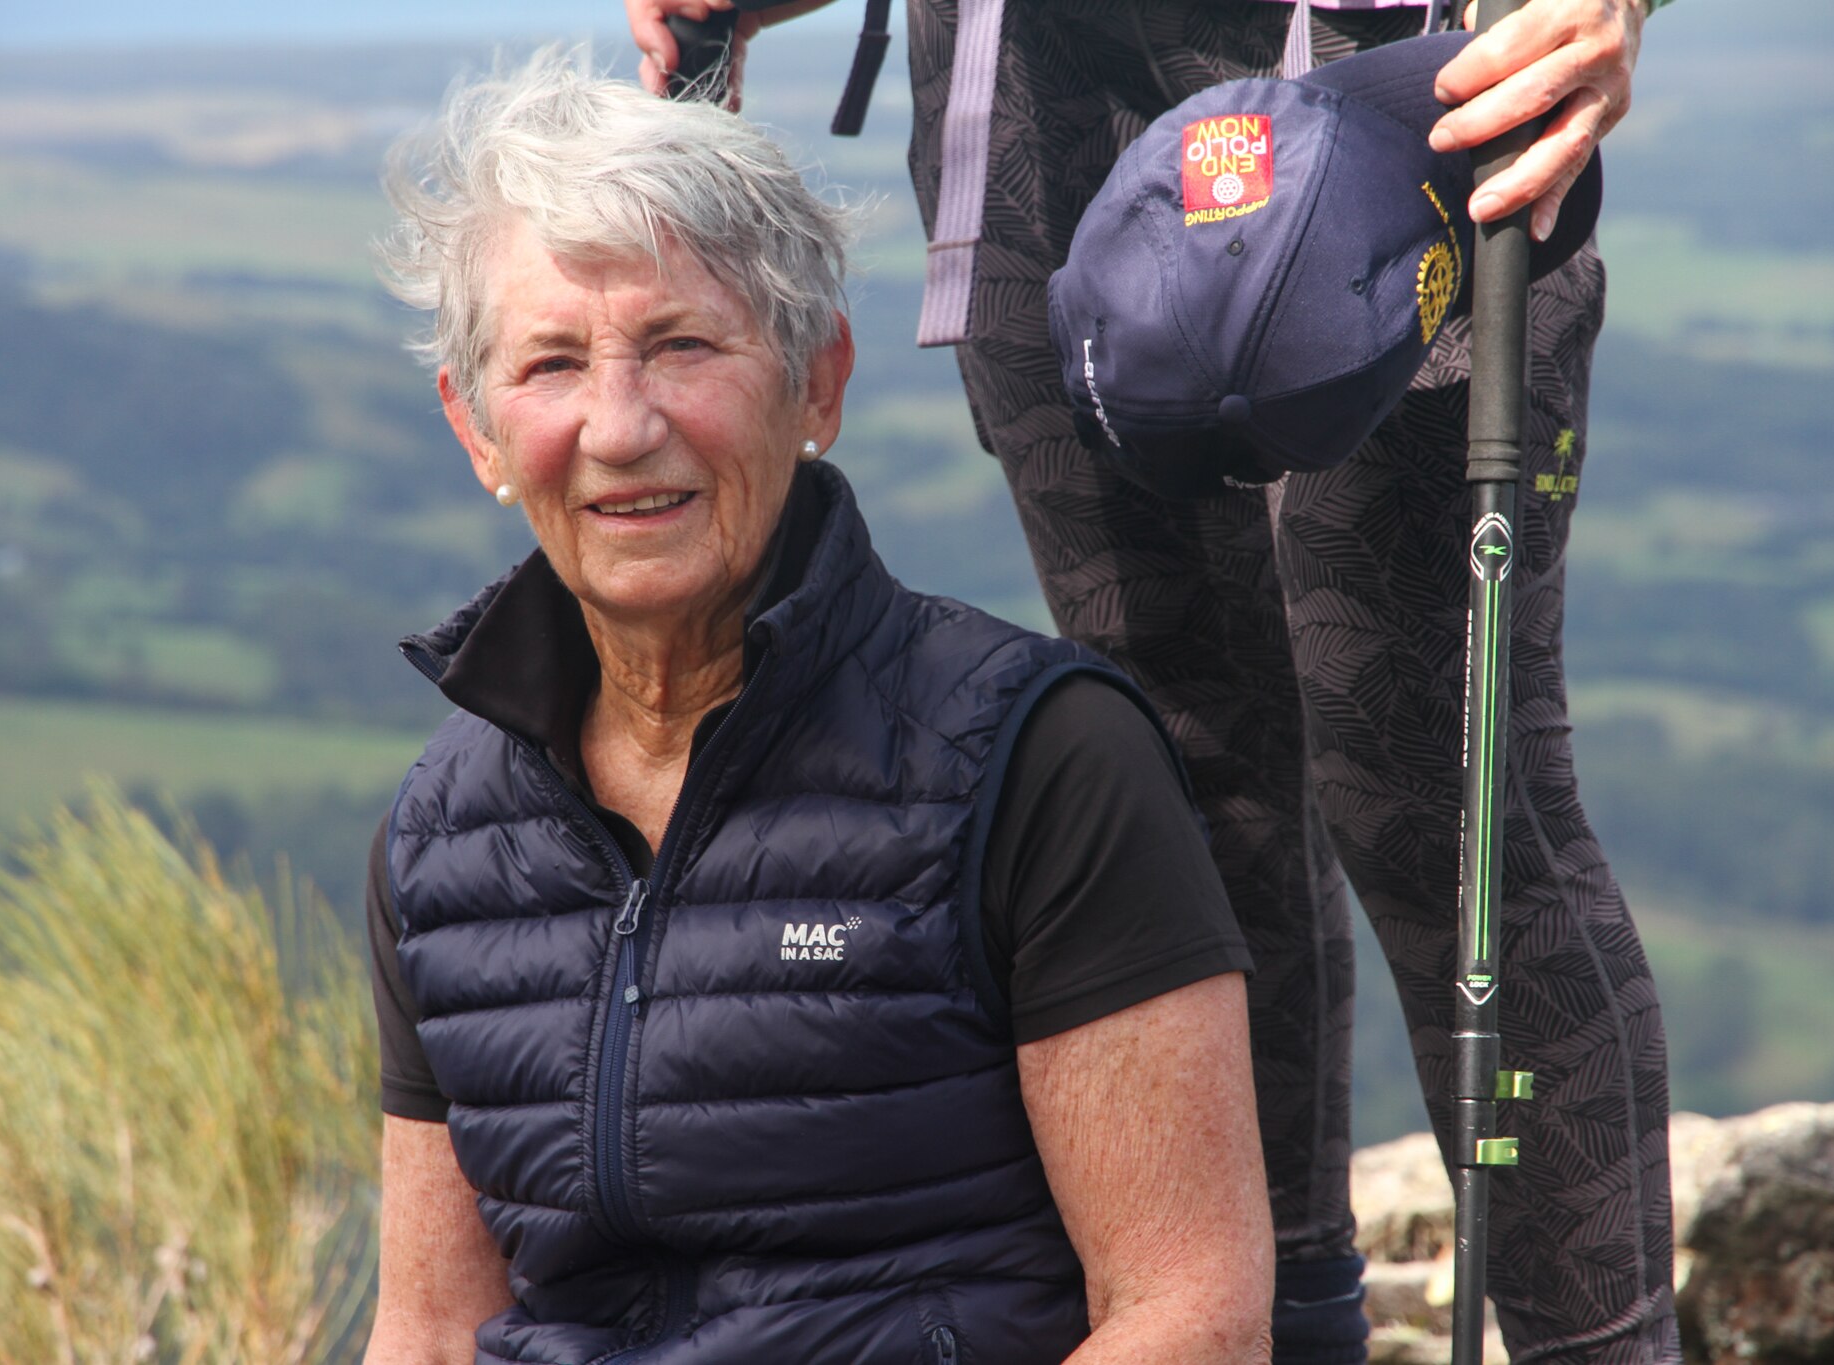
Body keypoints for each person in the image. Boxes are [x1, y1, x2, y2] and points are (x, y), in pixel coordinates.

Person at [625, 1, 1679, 1362]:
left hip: (1381, 53)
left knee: (1443, 798)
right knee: (1185, 780)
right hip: (1028, 96)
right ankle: (1270, 1331)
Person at [362, 53, 1275, 1364]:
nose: (620, 427)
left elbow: (1194, 1317)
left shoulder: (1043, 759)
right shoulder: (444, 835)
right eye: (552, 364)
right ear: (477, 430)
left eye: (682, 345)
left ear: (819, 383)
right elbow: (433, 1329)